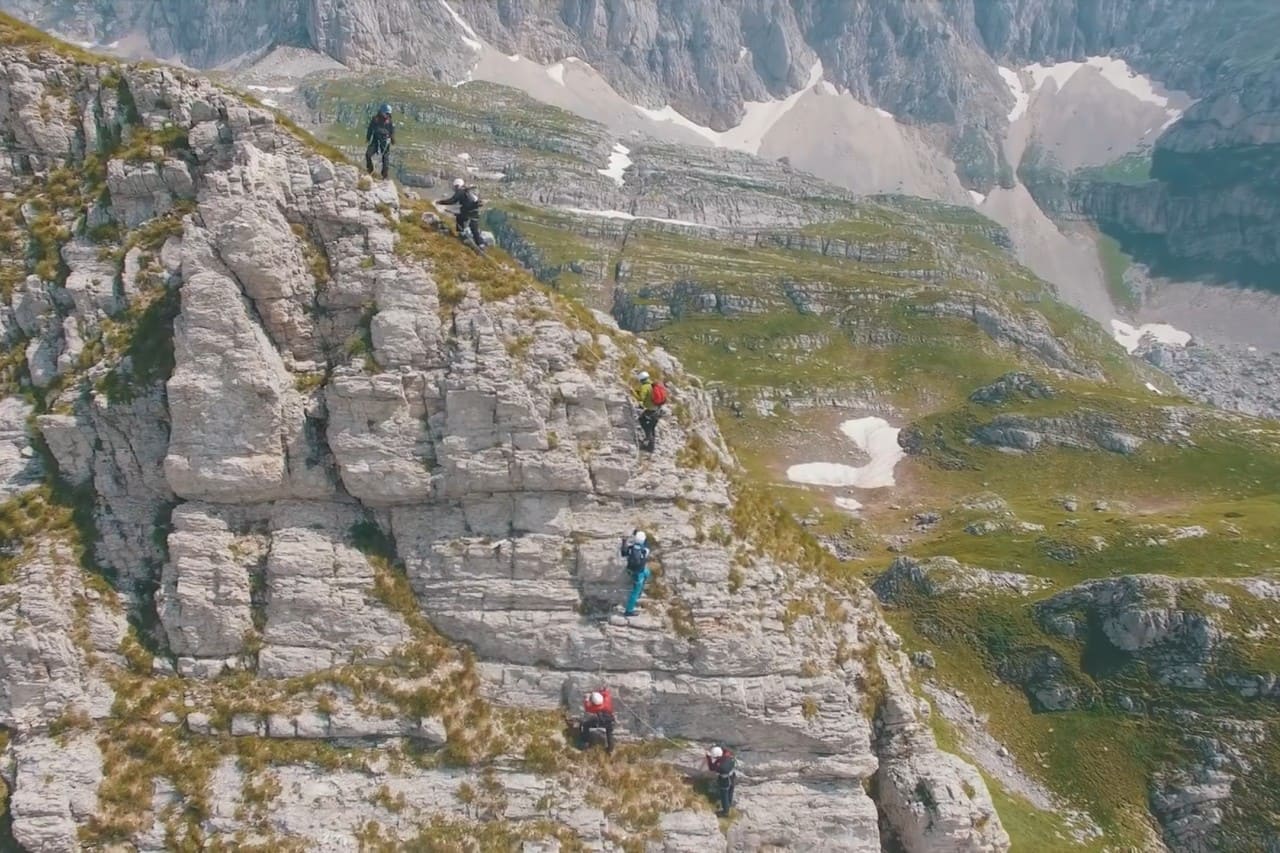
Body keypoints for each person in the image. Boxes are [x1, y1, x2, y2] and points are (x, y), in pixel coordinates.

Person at [436, 177, 485, 247]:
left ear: (457, 185)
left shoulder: (460, 191)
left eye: (455, 187)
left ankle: (462, 234)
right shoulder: (467, 191)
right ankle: (481, 244)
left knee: (459, 218)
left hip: (467, 213)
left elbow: (452, 201)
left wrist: (440, 202)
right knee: (474, 229)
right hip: (475, 212)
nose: (455, 189)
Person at [619, 530, 650, 617]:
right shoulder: (645, 550)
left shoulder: (630, 548)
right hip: (638, 574)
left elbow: (623, 553)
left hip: (630, 570)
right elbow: (646, 545)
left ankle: (640, 588)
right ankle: (629, 611)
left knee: (647, 572)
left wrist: (624, 541)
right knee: (634, 592)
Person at [634, 371, 664, 452]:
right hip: (658, 409)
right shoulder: (653, 385)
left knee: (643, 421)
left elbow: (641, 398)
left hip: (651, 410)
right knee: (652, 427)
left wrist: (633, 393)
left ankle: (648, 440)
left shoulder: (645, 387)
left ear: (641, 380)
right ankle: (651, 447)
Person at [580, 687, 615, 753]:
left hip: (600, 720)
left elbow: (587, 707)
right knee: (609, 733)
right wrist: (602, 690)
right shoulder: (607, 700)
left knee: (585, 725)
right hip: (610, 720)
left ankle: (585, 742)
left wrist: (587, 698)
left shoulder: (595, 708)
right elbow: (606, 693)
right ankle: (610, 749)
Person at [706, 744, 737, 817]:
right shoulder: (729, 756)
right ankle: (729, 805)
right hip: (732, 777)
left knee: (724, 795)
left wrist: (708, 757)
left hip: (725, 780)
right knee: (730, 791)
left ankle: (725, 812)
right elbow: (725, 751)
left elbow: (711, 767)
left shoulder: (720, 766)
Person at [365, 104, 395, 179]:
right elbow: (370, 129)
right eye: (386, 113)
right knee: (368, 154)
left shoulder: (389, 121)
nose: (387, 115)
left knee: (385, 158)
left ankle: (384, 175)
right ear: (381, 112)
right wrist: (368, 138)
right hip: (376, 140)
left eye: (389, 114)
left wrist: (392, 139)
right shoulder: (375, 120)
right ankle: (370, 168)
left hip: (385, 141)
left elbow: (392, 131)